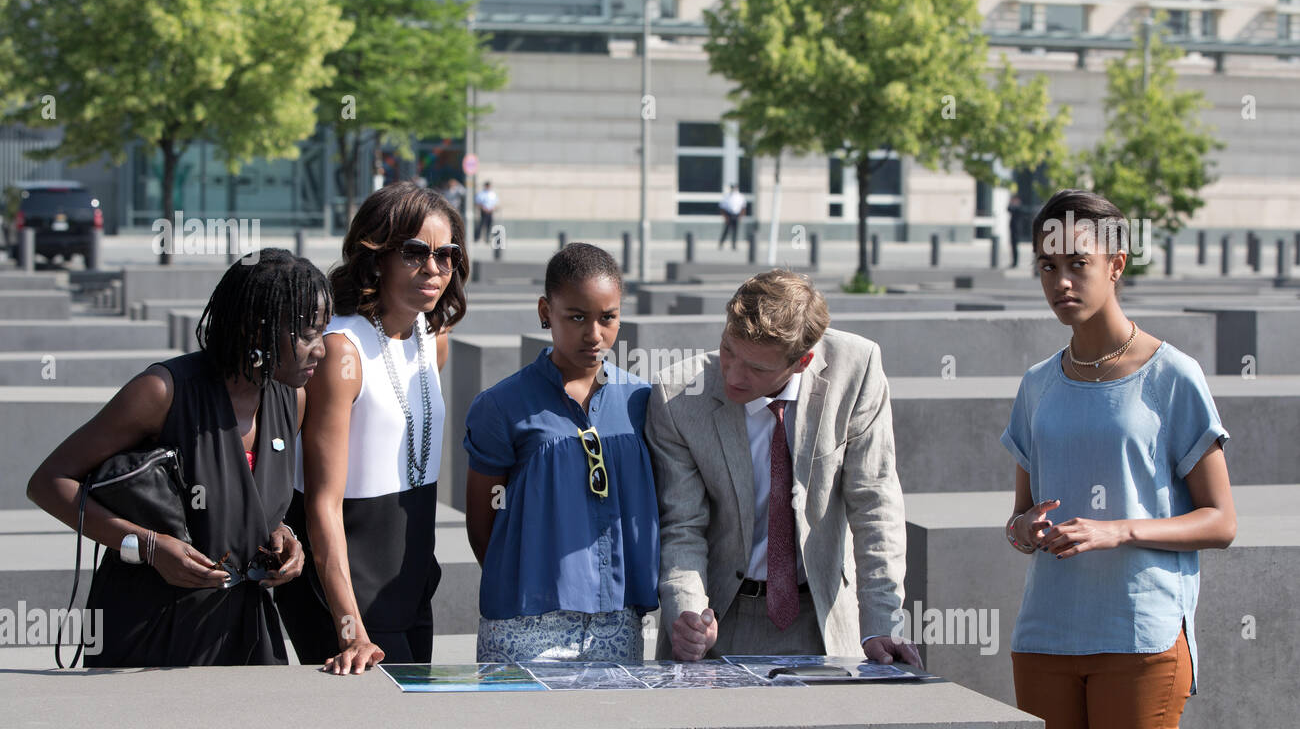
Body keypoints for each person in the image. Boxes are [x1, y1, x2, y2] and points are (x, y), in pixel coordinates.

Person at [1001, 189, 1235, 729]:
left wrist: (1119, 529)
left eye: (1078, 264)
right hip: (1045, 638)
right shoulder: (1036, 386)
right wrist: (1024, 530)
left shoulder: (1172, 375)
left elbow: (1220, 520)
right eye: (1047, 267)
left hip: (1139, 637)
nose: (1061, 283)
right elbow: (1020, 517)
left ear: (1116, 264)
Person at [26, 249, 329, 666]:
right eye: (308, 334)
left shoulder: (292, 399)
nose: (322, 350)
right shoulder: (162, 392)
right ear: (257, 329)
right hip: (148, 636)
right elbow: (48, 483)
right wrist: (148, 546)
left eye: (323, 332)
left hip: (243, 635)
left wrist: (284, 536)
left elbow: (247, 502)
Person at [645, 269, 920, 664]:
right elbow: (682, 524)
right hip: (721, 616)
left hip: (825, 617)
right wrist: (688, 615)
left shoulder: (856, 370)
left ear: (802, 361)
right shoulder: (678, 398)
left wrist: (882, 624)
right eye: (727, 350)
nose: (733, 375)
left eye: (756, 369)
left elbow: (875, 502)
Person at [274, 181, 467, 675]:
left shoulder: (433, 336)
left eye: (446, 254)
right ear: (375, 256)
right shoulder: (342, 350)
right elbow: (321, 502)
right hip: (343, 587)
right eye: (414, 252)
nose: (433, 268)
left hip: (410, 576)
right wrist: (348, 627)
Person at [463, 242, 659, 663]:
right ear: (544, 311)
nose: (594, 334)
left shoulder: (641, 401)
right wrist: (532, 574)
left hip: (618, 621)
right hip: (525, 624)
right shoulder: (501, 406)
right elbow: (484, 524)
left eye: (608, 317)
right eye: (576, 317)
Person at [717, 184, 746, 250]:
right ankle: (721, 243)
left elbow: (743, 207)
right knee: (726, 231)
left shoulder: (740, 197)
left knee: (735, 231)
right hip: (728, 215)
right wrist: (725, 216)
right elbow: (722, 207)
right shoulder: (727, 196)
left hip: (736, 215)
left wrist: (740, 216)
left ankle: (734, 245)